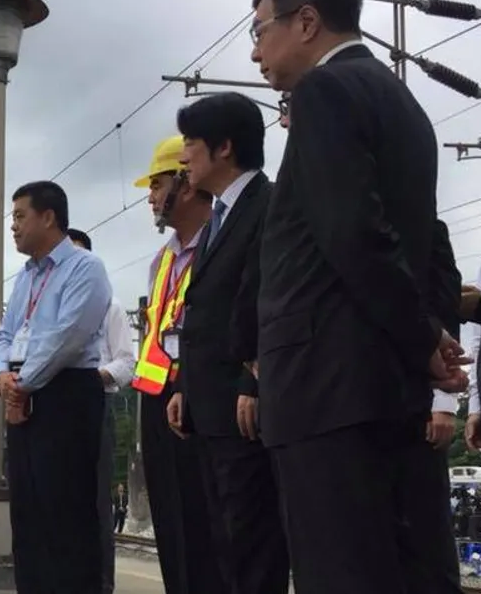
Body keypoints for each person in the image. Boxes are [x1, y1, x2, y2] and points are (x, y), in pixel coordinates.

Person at [250, 0, 467, 594]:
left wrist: (423, 340)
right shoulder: (404, 104)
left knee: (338, 569)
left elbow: (353, 236)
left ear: (307, 21)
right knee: (404, 568)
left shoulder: (324, 93)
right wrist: (422, 336)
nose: (258, 52)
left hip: (325, 388)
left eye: (261, 31)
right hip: (385, 387)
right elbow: (415, 242)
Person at [172, 91, 289, 594]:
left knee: (252, 540)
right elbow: (207, 308)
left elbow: (268, 296)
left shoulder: (270, 205)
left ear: (223, 147)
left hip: (243, 405)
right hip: (208, 403)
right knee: (222, 537)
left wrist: (252, 375)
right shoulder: (219, 214)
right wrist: (183, 384)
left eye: (190, 143)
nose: (183, 157)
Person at [0, 181, 113, 594]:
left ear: (48, 217)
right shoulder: (24, 279)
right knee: (28, 512)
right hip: (23, 393)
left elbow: (68, 336)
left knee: (67, 512)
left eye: (20, 216)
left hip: (66, 393)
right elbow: (4, 336)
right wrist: (3, 378)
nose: (14, 227)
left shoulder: (85, 268)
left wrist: (21, 385)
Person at [131, 135, 228, 594]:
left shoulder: (222, 242)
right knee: (172, 519)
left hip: (202, 395)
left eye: (156, 184)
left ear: (185, 184)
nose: (151, 197)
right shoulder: (163, 258)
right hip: (156, 397)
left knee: (209, 522)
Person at [67, 227, 135, 594]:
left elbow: (127, 362)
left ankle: (99, 584)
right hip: (53, 410)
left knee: (95, 501)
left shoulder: (110, 307)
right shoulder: (48, 306)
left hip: (95, 404)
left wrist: (94, 378)